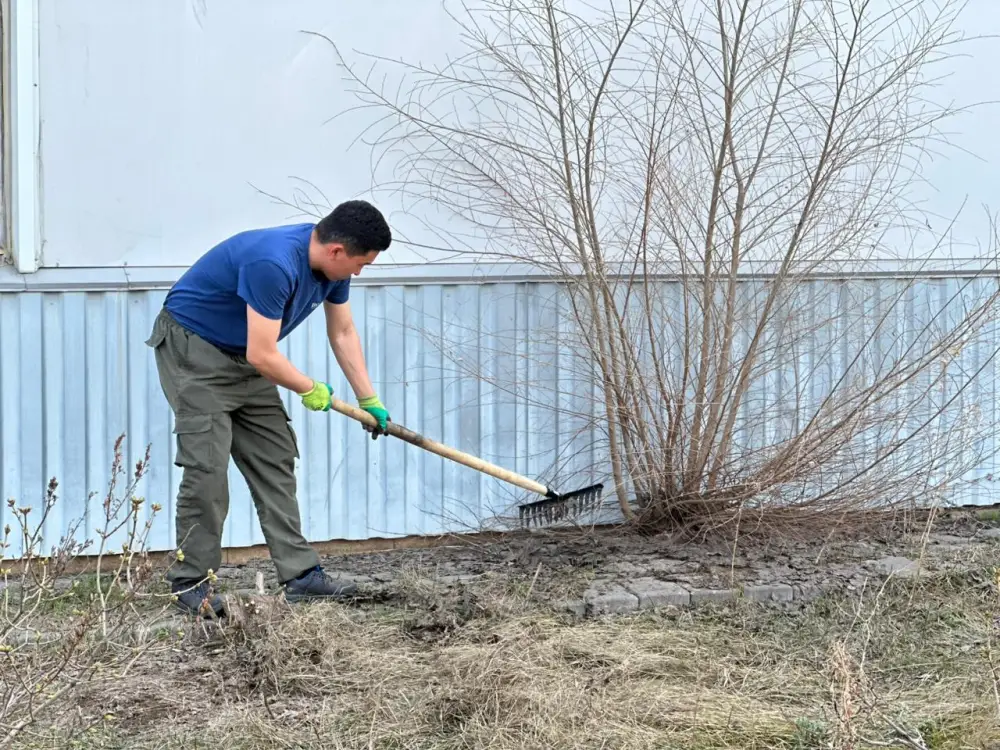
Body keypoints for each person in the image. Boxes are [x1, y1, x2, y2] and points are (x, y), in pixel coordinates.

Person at [144, 200, 393, 617]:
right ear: (336, 251)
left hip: (245, 356)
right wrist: (310, 387)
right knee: (207, 468)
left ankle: (301, 576)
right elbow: (264, 353)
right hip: (195, 350)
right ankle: (191, 584)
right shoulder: (273, 263)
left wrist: (369, 399)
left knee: (275, 456)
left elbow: (344, 331)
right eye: (360, 264)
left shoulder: (331, 268)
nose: (358, 272)